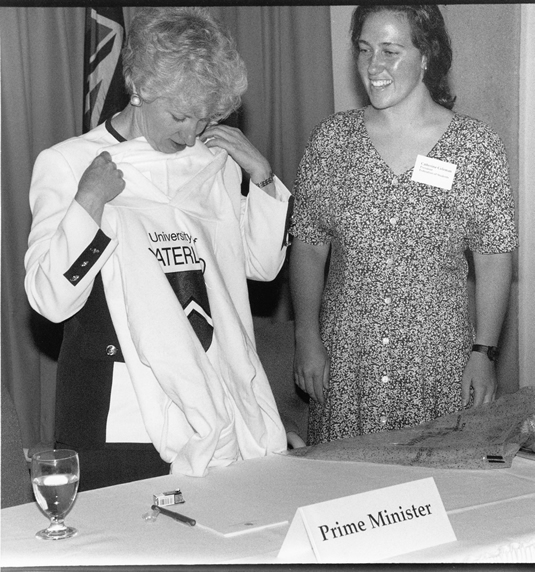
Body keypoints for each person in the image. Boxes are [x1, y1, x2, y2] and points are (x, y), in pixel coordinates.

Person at [24, 7, 295, 490]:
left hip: (212, 400)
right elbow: (49, 298)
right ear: (140, 88)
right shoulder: (69, 163)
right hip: (116, 413)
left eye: (204, 118)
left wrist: (263, 179)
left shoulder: (211, 163)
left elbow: (260, 266)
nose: (190, 133)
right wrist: (89, 202)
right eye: (179, 115)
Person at [289, 4, 518, 445]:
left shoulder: (476, 148)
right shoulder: (331, 141)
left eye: (391, 51)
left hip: (438, 365)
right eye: (364, 49)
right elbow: (309, 246)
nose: (373, 66)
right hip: (348, 364)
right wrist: (306, 337)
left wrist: (484, 352)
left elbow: (493, 258)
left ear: (427, 55)